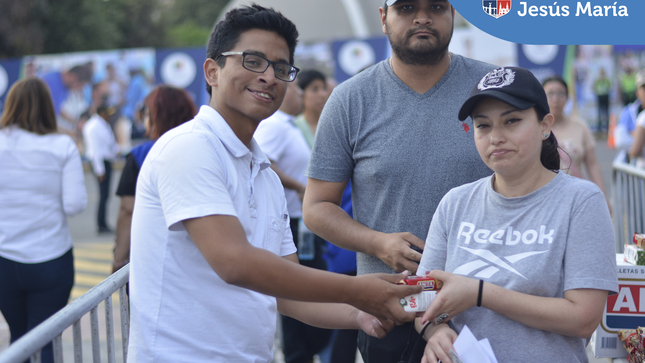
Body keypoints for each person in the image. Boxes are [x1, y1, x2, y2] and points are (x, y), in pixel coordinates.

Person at [126, 5, 420, 362]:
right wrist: (359, 290)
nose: (269, 76)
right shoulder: (188, 147)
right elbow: (234, 262)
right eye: (253, 60)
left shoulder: (263, 172)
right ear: (212, 71)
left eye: (281, 68)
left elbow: (289, 292)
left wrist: (361, 313)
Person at [302, 0, 496, 361]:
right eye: (406, 7)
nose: (422, 17)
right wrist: (378, 244)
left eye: (436, 6)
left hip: (490, 309)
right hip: (393, 312)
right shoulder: (349, 100)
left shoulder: (492, 87)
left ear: (452, 14)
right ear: (383, 17)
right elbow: (315, 208)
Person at [416, 67, 617, 363]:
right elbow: (421, 299)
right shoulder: (455, 203)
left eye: (512, 121)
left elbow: (584, 317)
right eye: (483, 126)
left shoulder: (581, 201)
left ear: (545, 125)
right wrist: (435, 332)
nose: (496, 137)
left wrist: (480, 293)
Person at [0, 78, 87, 363]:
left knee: (17, 340)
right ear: (48, 108)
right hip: (51, 258)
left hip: (4, 259)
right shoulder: (62, 145)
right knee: (45, 343)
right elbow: (74, 205)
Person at [255, 80, 334, 363]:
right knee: (296, 292)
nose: (301, 95)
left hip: (299, 223)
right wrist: (300, 188)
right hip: (291, 222)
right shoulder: (275, 126)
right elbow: (264, 161)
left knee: (304, 288)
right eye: (299, 90)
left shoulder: (289, 126)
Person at [112, 85, 197, 272]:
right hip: (195, 254)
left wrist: (119, 258)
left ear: (157, 117)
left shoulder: (140, 155)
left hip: (152, 254)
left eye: (148, 114)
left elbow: (127, 209)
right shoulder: (199, 150)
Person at [542, 76, 608, 195]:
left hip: (576, 196)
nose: (555, 99)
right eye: (550, 94)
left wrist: (602, 195)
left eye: (560, 94)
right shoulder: (536, 128)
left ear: (567, 97)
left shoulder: (580, 126)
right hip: (546, 196)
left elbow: (592, 163)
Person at [82, 104, 120, 234]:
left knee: (106, 195)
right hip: (100, 163)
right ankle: (101, 224)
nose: (110, 116)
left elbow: (110, 144)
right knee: (103, 195)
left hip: (106, 161)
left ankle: (103, 222)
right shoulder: (93, 126)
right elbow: (95, 150)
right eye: (108, 113)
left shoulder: (103, 124)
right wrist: (100, 170)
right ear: (102, 112)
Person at [41, 64, 92, 136]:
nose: (80, 89)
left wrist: (76, 122)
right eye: (81, 85)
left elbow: (56, 108)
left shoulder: (65, 88)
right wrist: (68, 133)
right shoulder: (49, 82)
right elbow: (43, 121)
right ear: (74, 78)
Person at [294, 69, 328, 147]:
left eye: (324, 88)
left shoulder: (333, 125)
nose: (323, 94)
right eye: (315, 89)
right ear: (301, 93)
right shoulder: (295, 127)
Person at [614, 69, 645, 154]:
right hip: (634, 165)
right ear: (637, 92)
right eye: (644, 88)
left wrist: (634, 134)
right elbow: (620, 140)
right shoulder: (629, 112)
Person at [593, 68, 611, 133]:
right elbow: (594, 87)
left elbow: (609, 87)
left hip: (605, 96)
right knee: (599, 113)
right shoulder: (598, 81)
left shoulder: (606, 80)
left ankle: (607, 126)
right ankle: (599, 127)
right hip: (600, 97)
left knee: (606, 112)